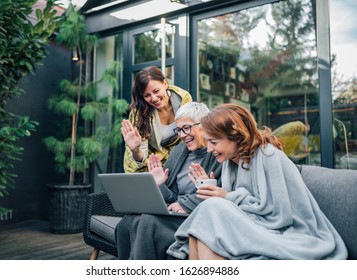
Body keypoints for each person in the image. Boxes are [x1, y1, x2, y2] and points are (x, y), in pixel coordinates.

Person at [167, 103, 348, 260]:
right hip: (254, 224)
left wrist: (227, 197)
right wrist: (218, 193)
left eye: (213, 142)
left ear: (235, 136)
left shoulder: (269, 155)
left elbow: (280, 214)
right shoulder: (231, 162)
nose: (209, 149)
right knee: (203, 226)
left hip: (285, 230)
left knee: (211, 209)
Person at [115, 102, 222, 259]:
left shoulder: (218, 154)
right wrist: (160, 185)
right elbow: (172, 198)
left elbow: (221, 197)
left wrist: (186, 203)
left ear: (204, 124)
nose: (182, 135)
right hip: (174, 214)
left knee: (148, 221)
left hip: (196, 218)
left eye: (186, 127)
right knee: (128, 221)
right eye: (178, 130)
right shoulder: (179, 152)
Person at [122, 66, 192, 173]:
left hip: (179, 160)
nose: (154, 98)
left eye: (156, 91)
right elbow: (141, 155)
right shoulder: (140, 113)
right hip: (149, 165)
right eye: (147, 95)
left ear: (165, 84)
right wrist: (136, 149)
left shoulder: (183, 100)